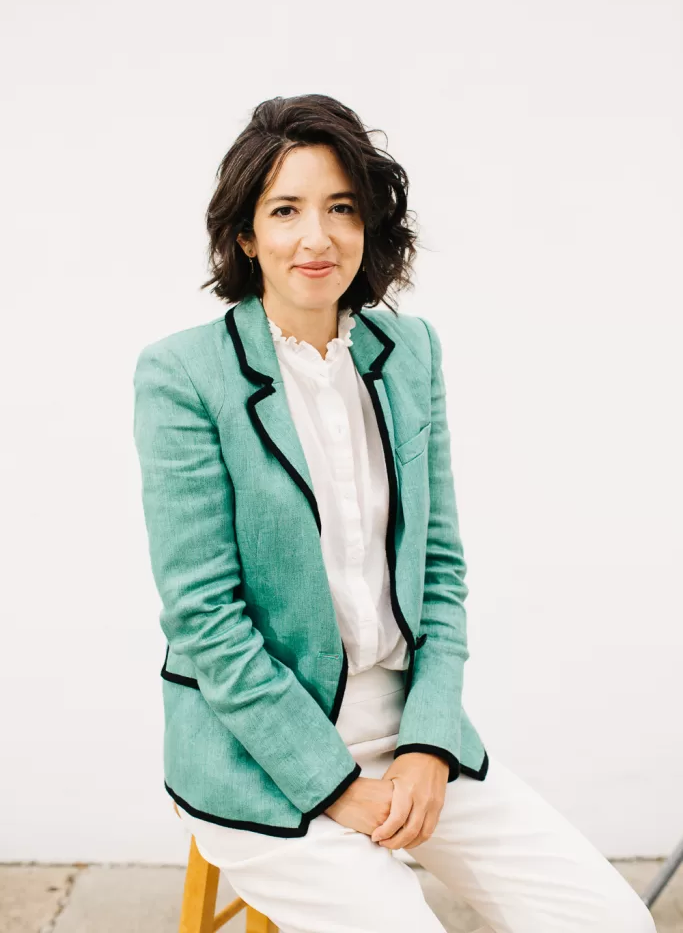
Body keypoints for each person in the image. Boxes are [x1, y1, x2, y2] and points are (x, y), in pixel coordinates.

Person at [133, 94, 655, 932]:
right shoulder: (184, 376)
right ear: (244, 235)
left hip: (407, 724)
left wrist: (428, 743)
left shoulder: (409, 352)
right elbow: (204, 618)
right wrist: (333, 785)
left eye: (342, 208)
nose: (317, 237)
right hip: (258, 752)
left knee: (609, 922)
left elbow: (439, 568)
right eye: (286, 210)